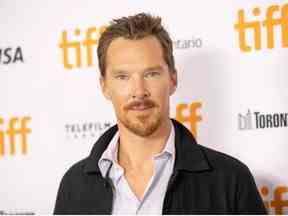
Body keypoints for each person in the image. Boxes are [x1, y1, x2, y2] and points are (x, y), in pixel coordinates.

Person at [54, 13, 267, 214]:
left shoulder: (231, 179)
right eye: (123, 77)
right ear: (104, 87)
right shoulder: (74, 185)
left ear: (172, 80)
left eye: (151, 74)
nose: (139, 91)